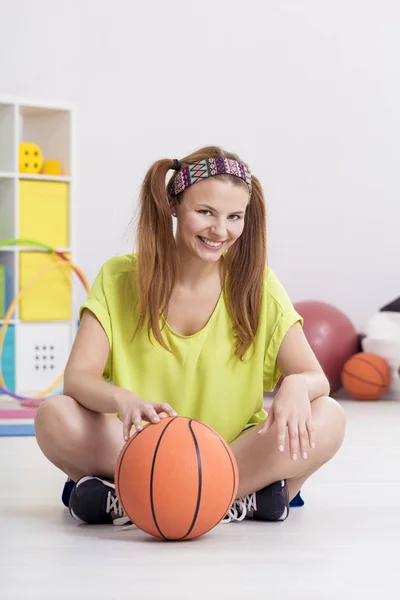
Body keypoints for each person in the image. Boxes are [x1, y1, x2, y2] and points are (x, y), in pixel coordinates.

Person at [34, 146, 346, 526]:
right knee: (54, 415)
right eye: (205, 212)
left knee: (329, 416)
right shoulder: (118, 278)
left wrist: (297, 384)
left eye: (235, 217)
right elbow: (78, 379)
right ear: (173, 205)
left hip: (231, 453)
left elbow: (317, 380)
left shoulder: (257, 284)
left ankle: (142, 499)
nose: (221, 230)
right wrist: (122, 398)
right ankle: (230, 499)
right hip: (141, 447)